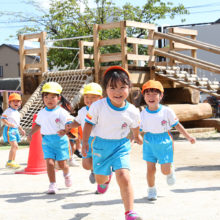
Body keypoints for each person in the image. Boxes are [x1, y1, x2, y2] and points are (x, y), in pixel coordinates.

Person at [82, 66, 143, 220]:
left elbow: (135, 125)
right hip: (100, 146)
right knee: (100, 179)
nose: (117, 92)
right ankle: (104, 181)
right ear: (105, 89)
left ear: (129, 88)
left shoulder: (133, 110)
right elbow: (88, 123)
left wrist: (137, 136)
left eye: (122, 87)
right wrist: (84, 143)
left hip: (121, 145)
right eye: (112, 87)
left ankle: (130, 212)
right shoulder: (98, 106)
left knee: (124, 175)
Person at [140, 80, 196, 201]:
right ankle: (151, 189)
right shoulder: (142, 114)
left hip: (164, 141)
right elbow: (137, 130)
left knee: (165, 171)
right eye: (147, 94)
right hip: (149, 141)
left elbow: (177, 125)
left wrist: (188, 136)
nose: (151, 97)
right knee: (150, 169)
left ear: (161, 96)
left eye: (155, 94)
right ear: (143, 96)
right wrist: (133, 139)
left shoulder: (167, 111)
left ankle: (170, 170)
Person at [27, 82, 74, 194]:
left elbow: (70, 123)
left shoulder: (62, 112)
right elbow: (38, 124)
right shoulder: (41, 113)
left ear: (58, 98)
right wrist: (31, 133)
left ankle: (67, 173)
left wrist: (65, 130)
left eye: (53, 97)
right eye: (46, 97)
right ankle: (53, 184)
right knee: (50, 163)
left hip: (60, 141)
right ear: (43, 98)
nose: (49, 99)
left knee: (62, 165)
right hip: (47, 141)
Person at [66, 82, 103, 184]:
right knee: (86, 165)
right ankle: (94, 170)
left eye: (93, 97)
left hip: (100, 140)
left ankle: (102, 174)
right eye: (86, 97)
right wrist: (70, 125)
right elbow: (77, 122)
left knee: (100, 160)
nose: (89, 100)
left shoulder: (103, 110)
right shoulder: (82, 110)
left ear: (100, 98)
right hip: (86, 141)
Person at [1, 93, 25, 169]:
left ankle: (12, 162)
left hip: (15, 130)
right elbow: (3, 118)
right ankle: (10, 162)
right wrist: (9, 124)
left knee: (16, 146)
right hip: (9, 129)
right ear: (9, 103)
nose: (16, 103)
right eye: (13, 101)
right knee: (14, 145)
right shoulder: (8, 111)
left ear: (20, 103)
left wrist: (21, 130)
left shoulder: (17, 113)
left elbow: (17, 124)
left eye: (18, 101)